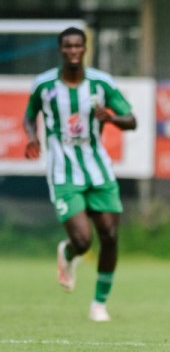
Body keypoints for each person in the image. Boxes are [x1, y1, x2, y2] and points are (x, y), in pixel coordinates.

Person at [23, 26, 137, 322]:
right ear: (60, 50)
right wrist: (32, 136)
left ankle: (99, 304)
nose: (73, 51)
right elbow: (29, 113)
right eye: (68, 46)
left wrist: (111, 117)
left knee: (110, 236)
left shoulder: (101, 84)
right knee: (84, 241)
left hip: (98, 169)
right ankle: (70, 253)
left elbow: (131, 120)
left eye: (78, 46)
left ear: (85, 49)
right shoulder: (44, 84)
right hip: (63, 173)